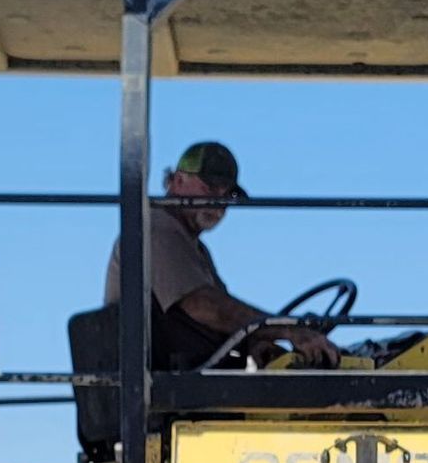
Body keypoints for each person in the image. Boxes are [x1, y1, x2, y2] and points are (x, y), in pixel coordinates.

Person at [104, 142, 341, 368]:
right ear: (178, 181)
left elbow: (219, 314)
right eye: (210, 188)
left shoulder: (195, 248)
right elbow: (204, 306)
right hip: (166, 376)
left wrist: (255, 342)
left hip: (190, 368)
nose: (219, 202)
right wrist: (288, 330)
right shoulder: (156, 230)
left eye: (228, 195)